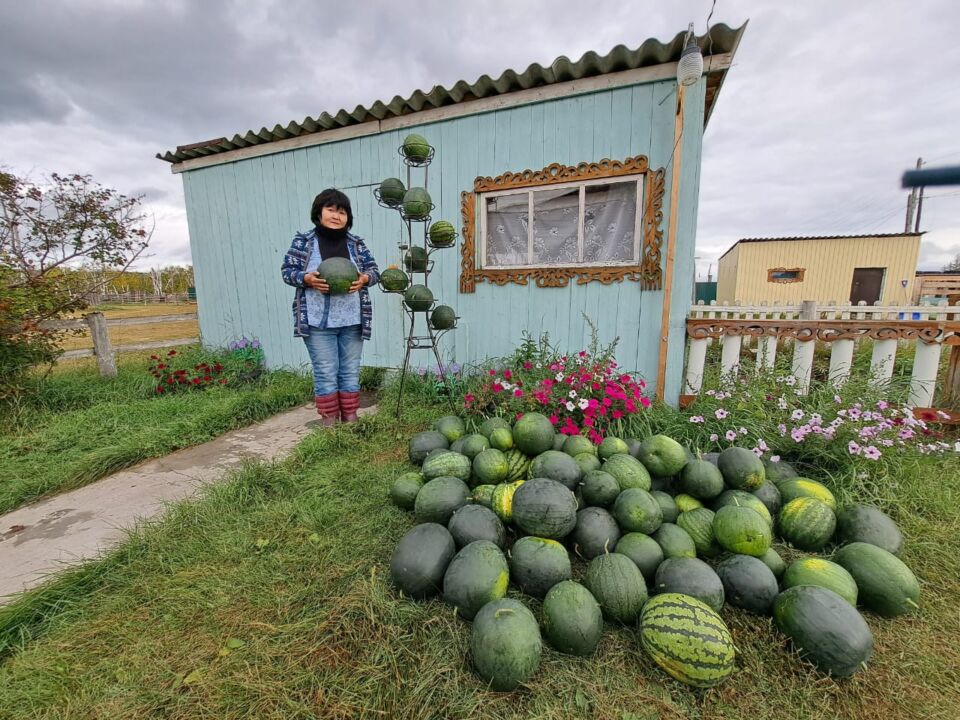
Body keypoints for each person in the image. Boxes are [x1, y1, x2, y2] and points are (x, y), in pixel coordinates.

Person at [281, 188, 380, 425]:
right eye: (331, 210)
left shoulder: (356, 244)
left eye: (342, 212)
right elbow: (287, 271)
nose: (336, 216)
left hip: (353, 320)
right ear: (319, 212)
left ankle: (351, 416)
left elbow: (375, 271)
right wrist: (307, 279)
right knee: (325, 370)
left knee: (350, 369)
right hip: (318, 322)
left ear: (348, 217)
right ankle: (329, 420)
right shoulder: (303, 242)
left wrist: (365, 279)